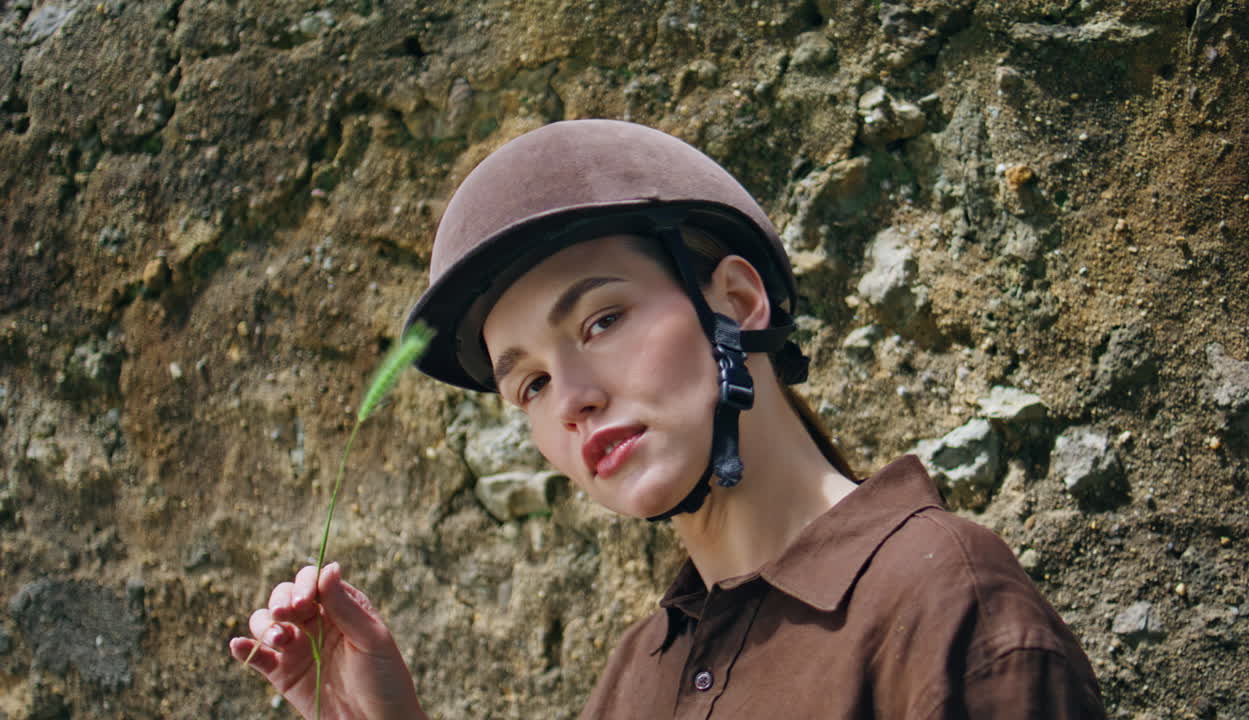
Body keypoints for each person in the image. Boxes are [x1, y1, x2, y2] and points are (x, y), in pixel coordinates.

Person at [229, 119, 1106, 719]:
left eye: (601, 321)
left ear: (738, 301)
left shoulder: (947, 607)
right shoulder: (635, 674)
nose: (571, 398)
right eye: (528, 384)